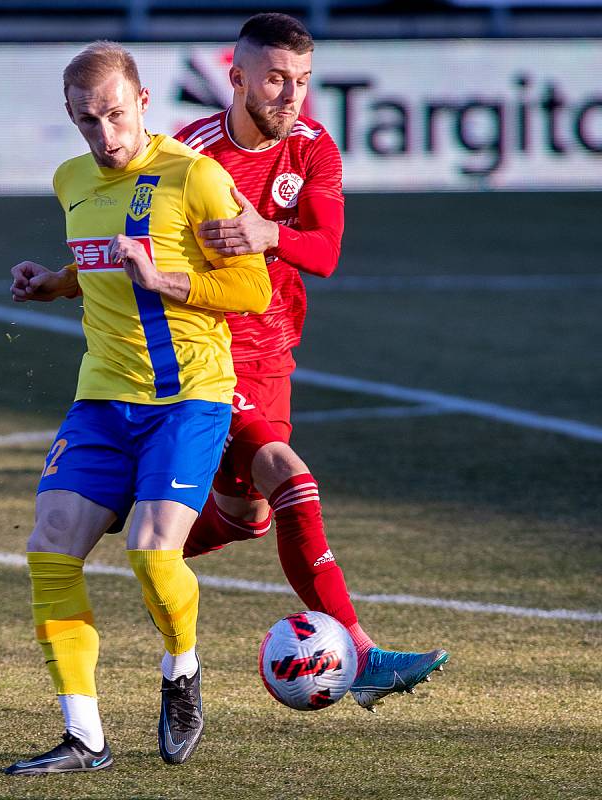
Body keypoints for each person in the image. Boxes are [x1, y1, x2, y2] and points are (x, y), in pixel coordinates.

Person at [4, 41, 271, 774]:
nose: (105, 135)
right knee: (50, 546)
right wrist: (52, 283)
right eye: (87, 121)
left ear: (144, 103)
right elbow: (96, 272)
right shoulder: (70, 181)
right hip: (102, 399)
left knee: (153, 554)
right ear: (71, 119)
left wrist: (165, 281)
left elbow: (254, 292)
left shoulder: (198, 178)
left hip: (189, 397)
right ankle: (84, 737)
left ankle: (181, 669)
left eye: (116, 115)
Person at [175, 13, 448, 713]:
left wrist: (269, 232)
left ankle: (153, 540)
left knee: (247, 515)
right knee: (292, 479)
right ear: (236, 78)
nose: (289, 95)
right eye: (274, 79)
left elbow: (324, 253)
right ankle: (361, 656)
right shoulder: (189, 159)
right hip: (208, 357)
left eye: (301, 80)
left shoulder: (314, 146)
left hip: (275, 355)